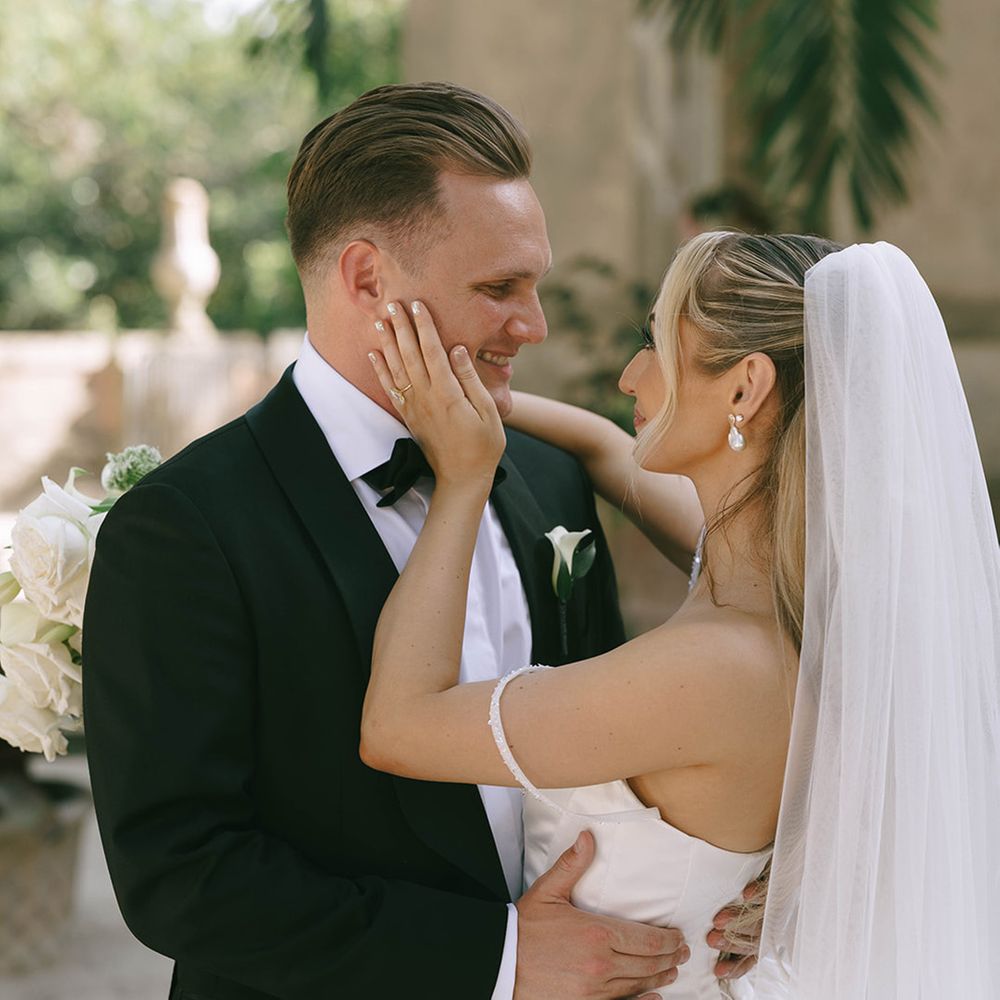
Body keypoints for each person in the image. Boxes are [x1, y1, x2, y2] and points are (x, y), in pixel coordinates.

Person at [83, 83, 751, 1000]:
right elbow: (180, 877)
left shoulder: (551, 477)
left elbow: (622, 759)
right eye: (498, 288)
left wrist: (741, 883)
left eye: (536, 284)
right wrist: (499, 959)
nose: (535, 324)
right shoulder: (186, 527)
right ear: (367, 280)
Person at [361, 232, 1000, 998]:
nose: (631, 373)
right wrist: (464, 393)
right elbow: (602, 445)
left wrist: (464, 478)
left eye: (655, 342)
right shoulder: (805, 588)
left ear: (743, 389)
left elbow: (397, 728)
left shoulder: (715, 668)